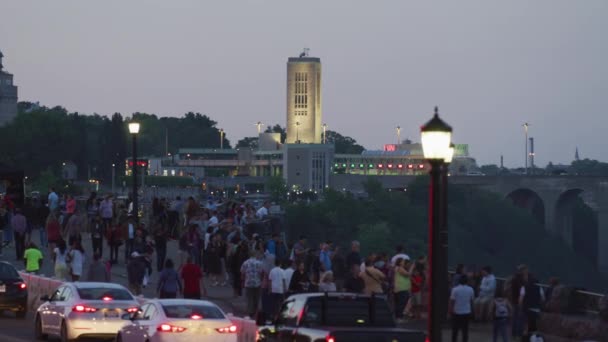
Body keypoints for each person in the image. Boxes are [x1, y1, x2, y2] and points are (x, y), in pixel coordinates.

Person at [449, 274, 475, 342]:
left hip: (456, 312)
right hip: (466, 312)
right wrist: (472, 311)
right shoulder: (471, 289)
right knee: (465, 331)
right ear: (467, 281)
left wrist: (450, 311)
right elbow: (471, 302)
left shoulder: (455, 289)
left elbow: (452, 302)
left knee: (455, 330)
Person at [240, 251, 264, 318]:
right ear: (255, 255)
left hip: (248, 283)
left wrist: (242, 282)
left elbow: (242, 273)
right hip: (257, 283)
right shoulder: (259, 263)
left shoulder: (245, 263)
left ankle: (250, 312)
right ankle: (255, 312)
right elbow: (262, 273)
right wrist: (261, 280)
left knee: (249, 298)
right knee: (256, 298)